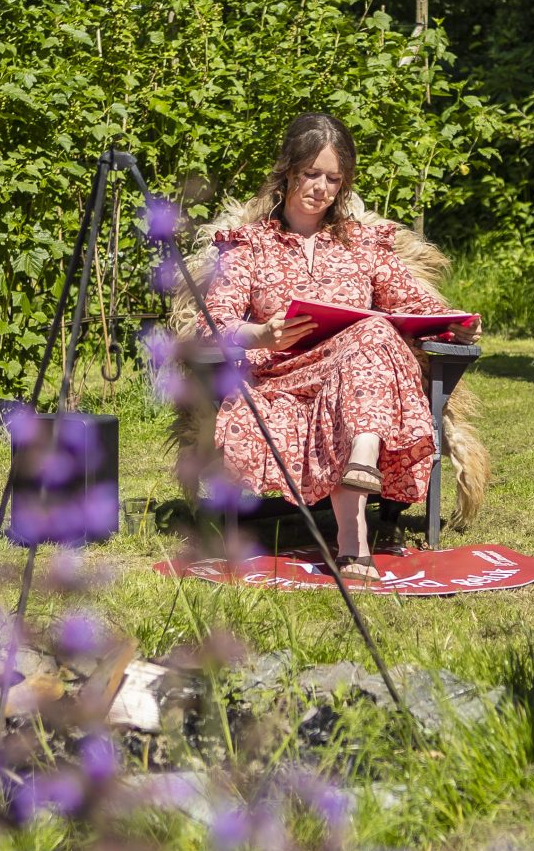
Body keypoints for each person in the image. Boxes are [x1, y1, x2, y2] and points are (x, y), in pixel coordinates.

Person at [201, 112, 471, 569]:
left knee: (371, 331)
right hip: (283, 375)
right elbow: (214, 324)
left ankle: (356, 504)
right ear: (287, 171)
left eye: (333, 178)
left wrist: (457, 327)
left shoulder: (362, 244)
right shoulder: (249, 245)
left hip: (354, 375)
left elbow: (415, 305)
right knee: (372, 334)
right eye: (310, 174)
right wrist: (261, 333)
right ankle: (355, 518)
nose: (320, 188)